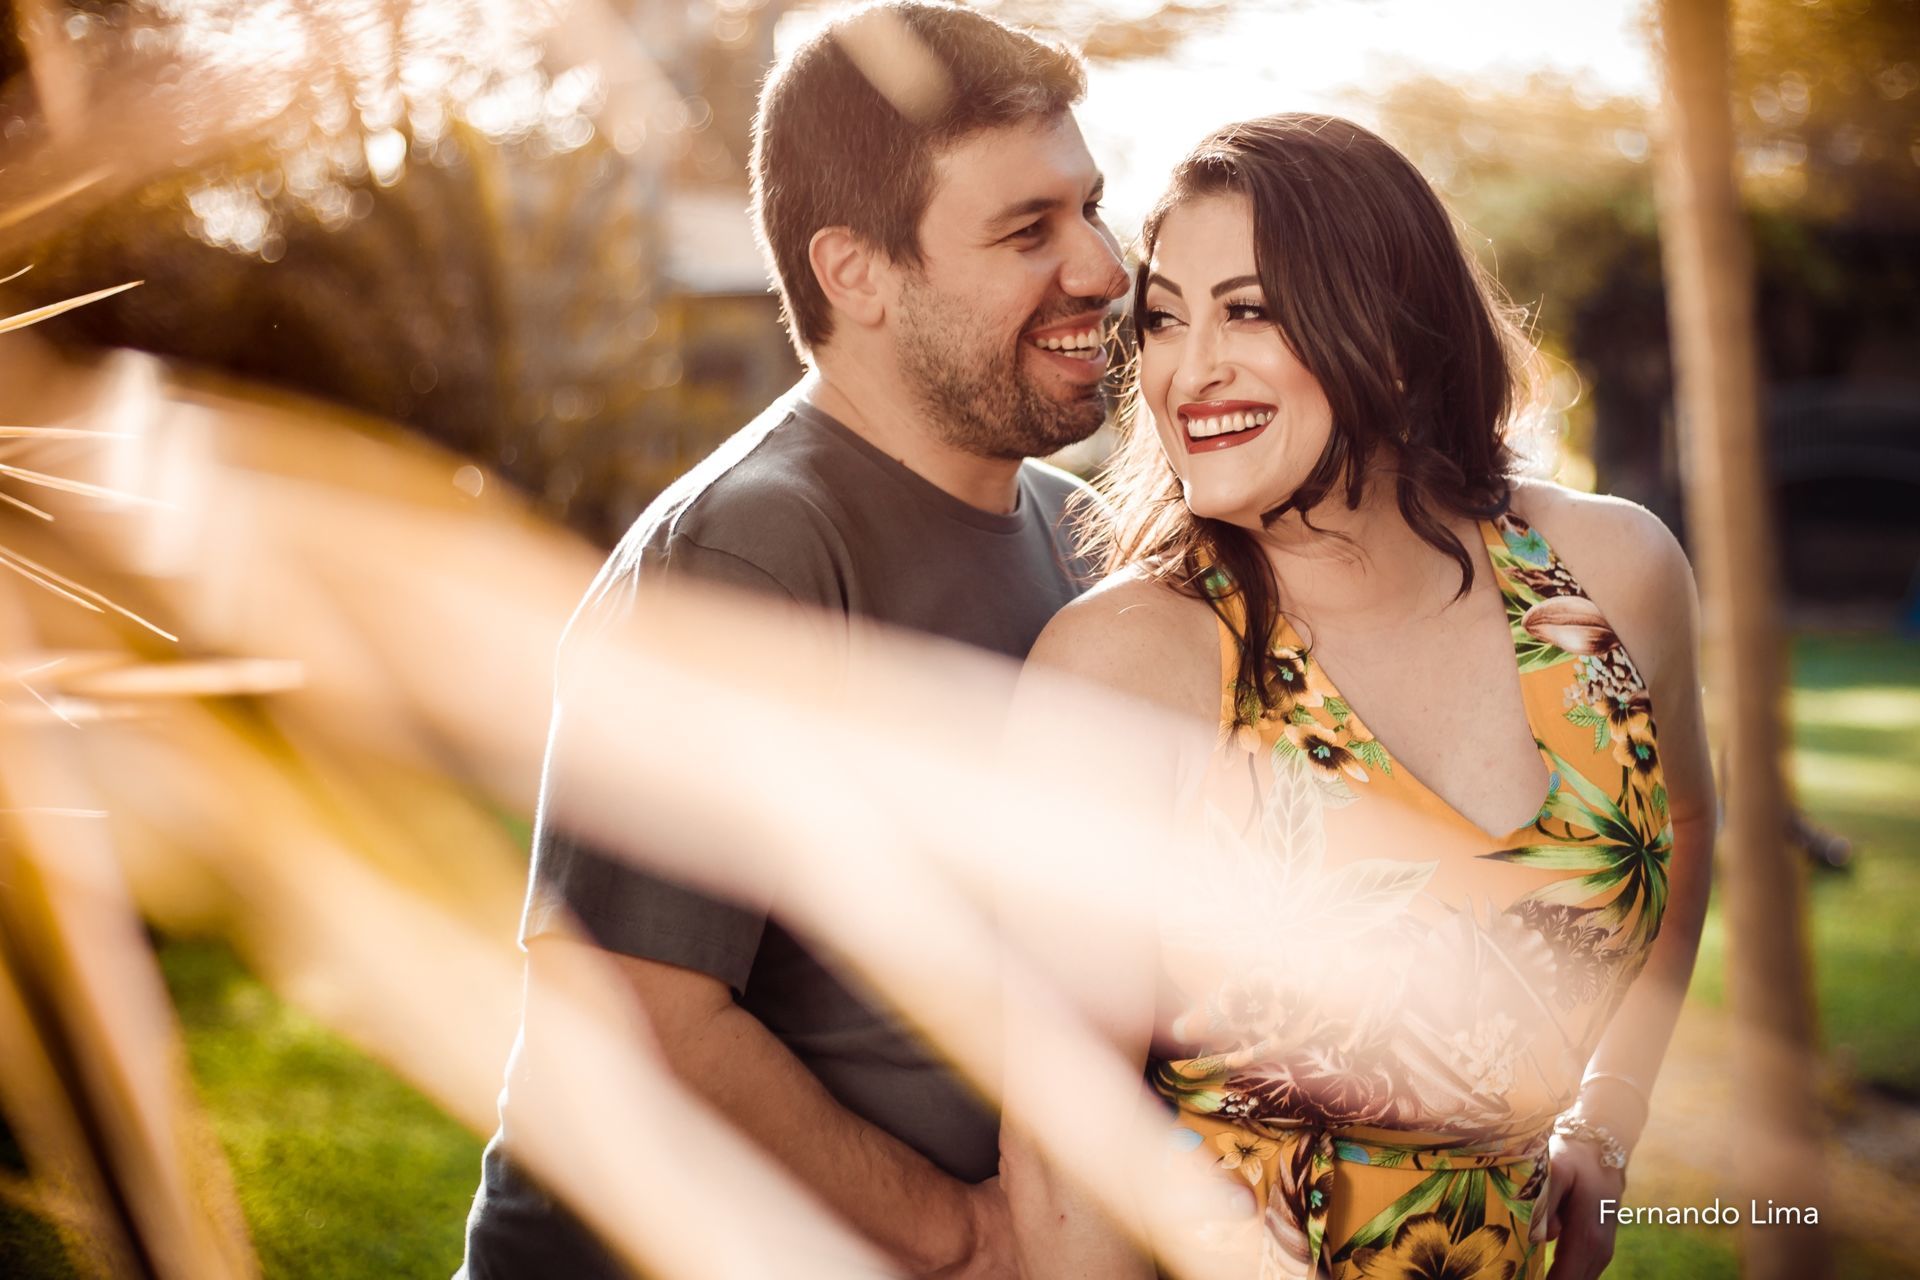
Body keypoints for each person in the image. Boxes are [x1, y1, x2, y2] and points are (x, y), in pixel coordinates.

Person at [459, 4, 1128, 1276]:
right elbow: (641, 1010)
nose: (1099, 265)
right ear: (856, 271)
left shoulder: (1082, 537)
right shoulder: (748, 555)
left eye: (1090, 206)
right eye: (1026, 230)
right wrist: (967, 1233)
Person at [1006, 114, 1714, 1280]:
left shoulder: (1613, 577)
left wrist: (1608, 1113)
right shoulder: (1130, 663)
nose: (1188, 367)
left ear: (1391, 332)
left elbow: (1680, 834)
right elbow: (1055, 1128)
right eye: (1166, 316)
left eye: (1248, 309)